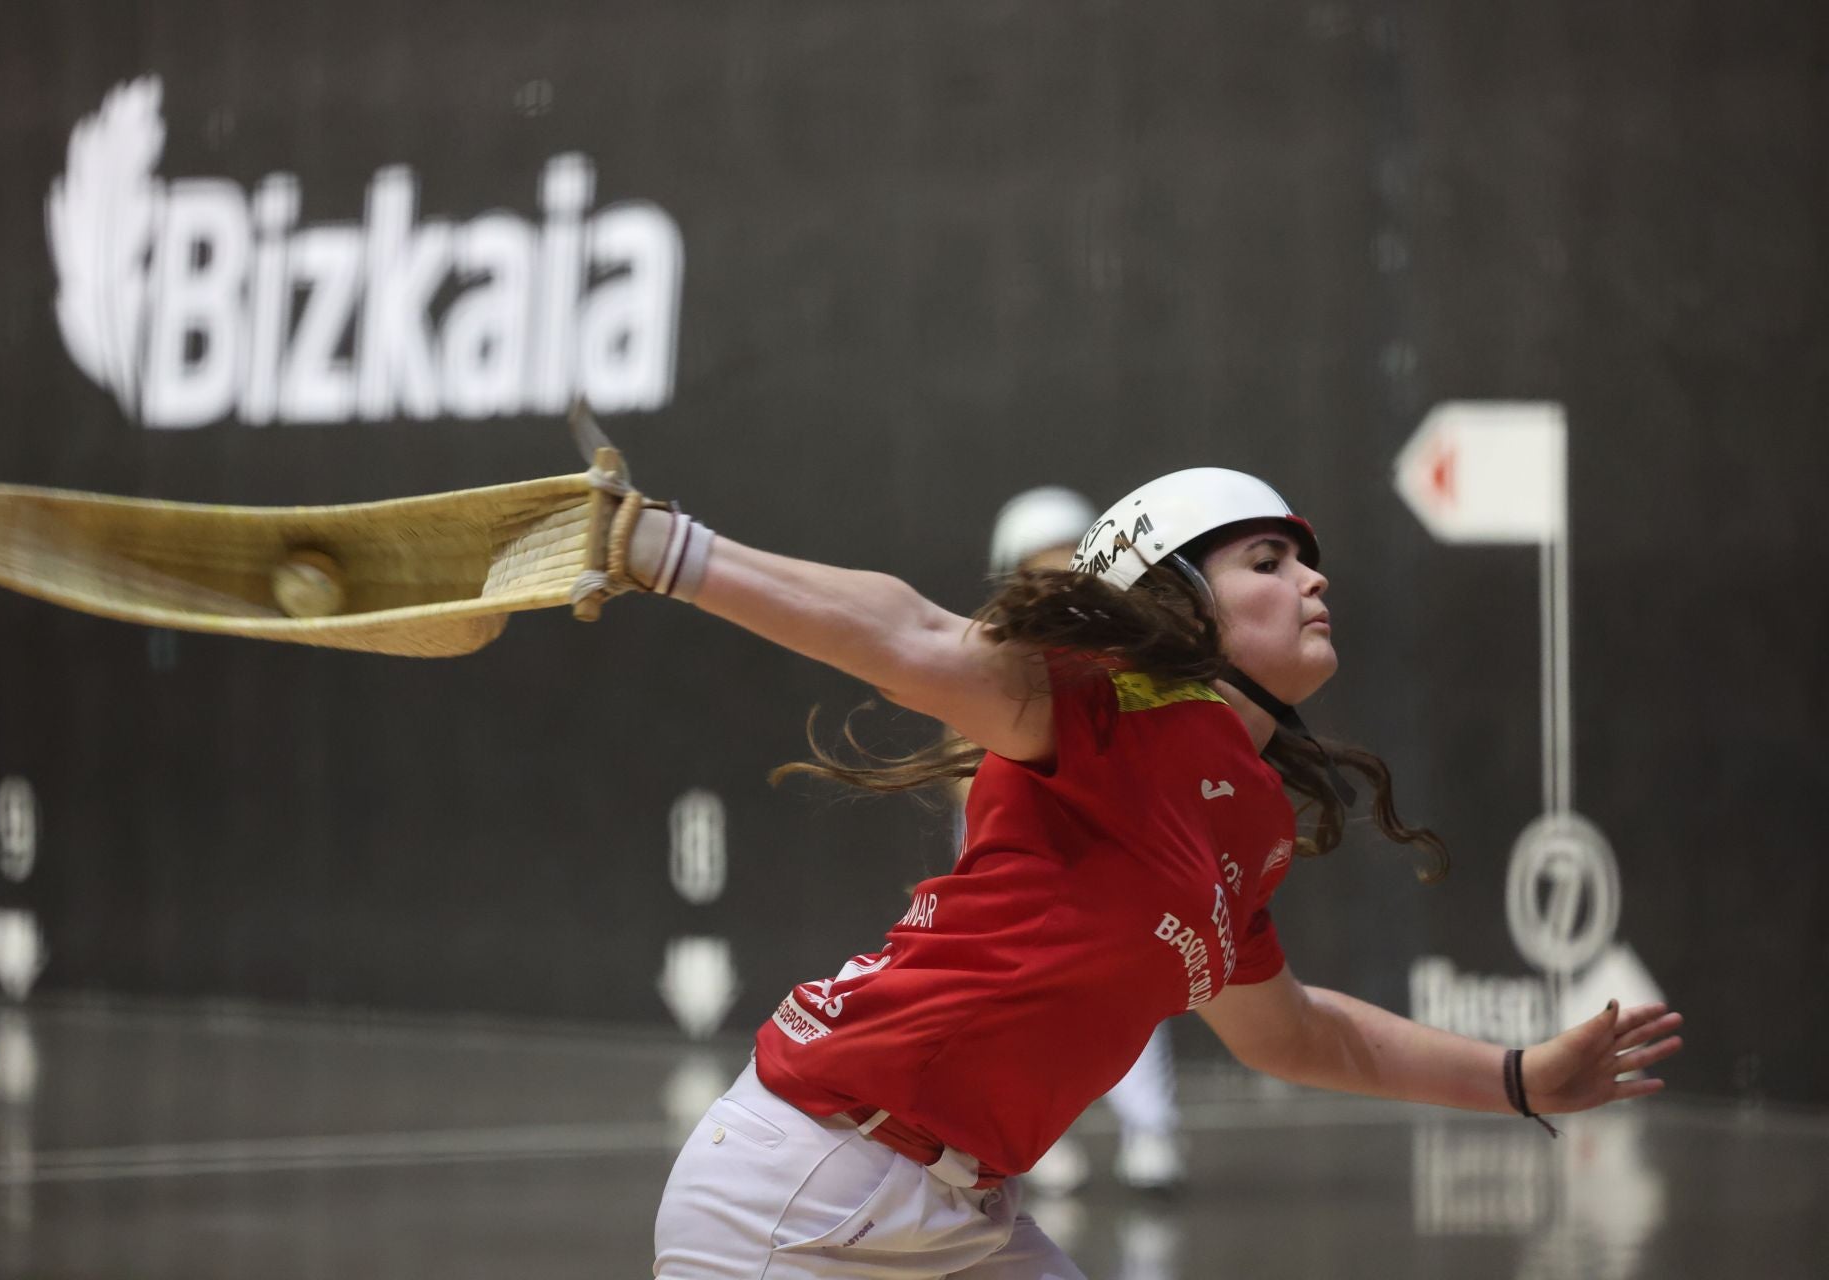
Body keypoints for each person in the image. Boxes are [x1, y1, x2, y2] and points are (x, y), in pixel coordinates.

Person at [626, 464, 1683, 1280]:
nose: (1313, 579)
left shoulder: (1251, 819)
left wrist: (1517, 1078)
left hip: (958, 1221)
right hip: (802, 1187)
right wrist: (662, 546)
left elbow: (1297, 1031)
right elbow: (906, 631)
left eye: (1304, 561)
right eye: (1266, 562)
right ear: (1179, 598)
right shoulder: (1092, 700)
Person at [977, 486, 1187, 1196]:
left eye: (1075, 559)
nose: (1063, 577)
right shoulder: (987, 655)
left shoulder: (1129, 650)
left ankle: (1150, 1132)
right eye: (1043, 565)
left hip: (1112, 858)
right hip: (1018, 863)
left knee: (1131, 985)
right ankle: (1034, 1141)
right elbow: (963, 772)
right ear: (1013, 579)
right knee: (1024, 1004)